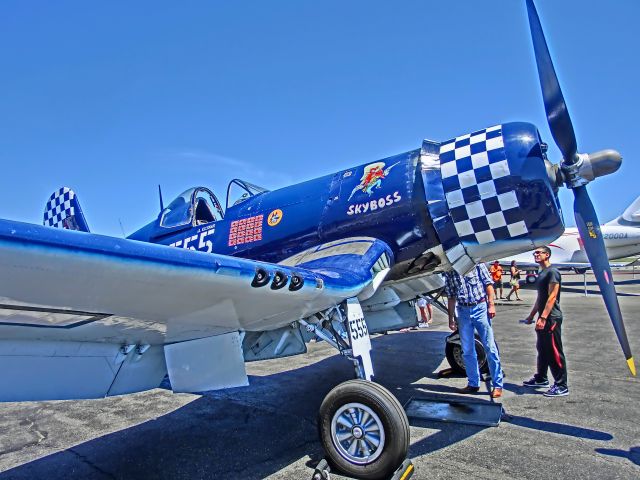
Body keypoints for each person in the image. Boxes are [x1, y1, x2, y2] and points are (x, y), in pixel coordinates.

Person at [444, 264, 504, 398]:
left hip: (480, 307)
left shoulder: (477, 264)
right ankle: (473, 383)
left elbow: (488, 284)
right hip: (463, 310)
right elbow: (451, 296)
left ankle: (498, 385)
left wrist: (491, 305)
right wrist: (451, 318)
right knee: (467, 350)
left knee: (490, 347)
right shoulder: (450, 271)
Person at [522, 246, 568, 397]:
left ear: (547, 255)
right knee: (542, 349)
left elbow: (552, 297)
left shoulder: (552, 272)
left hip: (551, 318)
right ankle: (541, 378)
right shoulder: (541, 273)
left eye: (539, 252)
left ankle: (561, 385)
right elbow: (540, 298)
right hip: (543, 316)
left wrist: (543, 317)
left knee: (554, 351)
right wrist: (531, 315)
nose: (536, 254)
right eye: (534, 253)